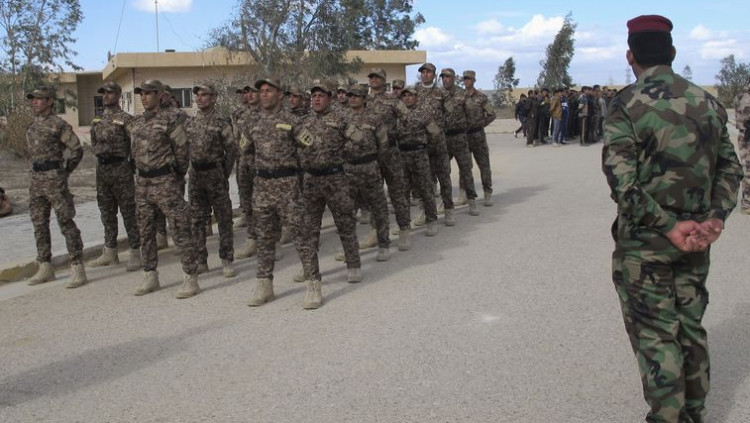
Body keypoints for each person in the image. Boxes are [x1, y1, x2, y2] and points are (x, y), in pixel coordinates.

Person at [602, 15, 743, 423]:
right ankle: (694, 413)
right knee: (690, 327)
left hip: (647, 242)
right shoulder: (706, 102)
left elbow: (623, 184)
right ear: (673, 53)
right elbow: (731, 169)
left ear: (630, 56)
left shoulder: (627, 104)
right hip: (696, 240)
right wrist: (715, 217)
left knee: (656, 333)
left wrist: (667, 225)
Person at [244, 77, 321, 309]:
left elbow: (311, 146)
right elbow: (245, 150)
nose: (264, 94)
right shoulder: (252, 121)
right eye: (261, 90)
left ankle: (313, 283)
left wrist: (299, 171)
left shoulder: (291, 121)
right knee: (264, 238)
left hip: (287, 186)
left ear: (280, 95)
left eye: (269, 90)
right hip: (262, 187)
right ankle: (264, 284)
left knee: (301, 235)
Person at [129, 79, 200, 299]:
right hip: (143, 184)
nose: (144, 97)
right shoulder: (137, 123)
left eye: (148, 93)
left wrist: (175, 175)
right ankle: (150, 274)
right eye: (141, 94)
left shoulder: (171, 120)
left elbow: (183, 151)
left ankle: (190, 276)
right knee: (145, 231)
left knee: (179, 228)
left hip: (165, 182)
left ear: (160, 95)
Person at [298, 81, 362, 283]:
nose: (316, 99)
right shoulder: (304, 122)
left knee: (345, 223)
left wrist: (343, 156)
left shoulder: (341, 119)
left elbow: (359, 141)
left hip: (335, 179)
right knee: (309, 228)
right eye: (314, 96)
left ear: (329, 98)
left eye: (321, 95)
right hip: (311, 180)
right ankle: (309, 269)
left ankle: (353, 264)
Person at [24, 86, 87, 288]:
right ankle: (45, 266)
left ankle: (77, 265)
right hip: (36, 181)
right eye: (33, 99)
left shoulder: (58, 125)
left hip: (54, 180)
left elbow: (76, 150)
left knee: (66, 222)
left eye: (39, 98)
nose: (34, 102)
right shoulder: (32, 126)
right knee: (39, 223)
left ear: (50, 101)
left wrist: (65, 172)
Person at [87, 81, 141, 272]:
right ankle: (110, 252)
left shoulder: (127, 119)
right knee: (107, 213)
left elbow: (136, 145)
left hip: (121, 170)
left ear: (118, 95)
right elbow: (94, 142)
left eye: (109, 93)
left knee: (129, 213)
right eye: (103, 93)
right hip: (102, 172)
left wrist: (131, 166)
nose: (105, 96)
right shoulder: (97, 120)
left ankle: (136, 251)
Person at [185, 83, 238, 278]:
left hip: (215, 174)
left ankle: (226, 259)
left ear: (213, 98)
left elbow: (231, 149)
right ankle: (201, 260)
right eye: (197, 95)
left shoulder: (221, 122)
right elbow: (183, 148)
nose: (199, 98)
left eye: (204, 94)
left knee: (223, 218)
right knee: (197, 220)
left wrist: (223, 172)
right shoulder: (190, 123)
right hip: (196, 176)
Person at [399, 86, 440, 238]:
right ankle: (404, 225)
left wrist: (426, 149)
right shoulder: (398, 115)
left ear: (416, 97)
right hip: (403, 156)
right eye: (405, 95)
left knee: (425, 189)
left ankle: (431, 220)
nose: (407, 98)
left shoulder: (424, 113)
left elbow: (435, 134)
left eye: (410, 95)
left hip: (420, 155)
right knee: (403, 192)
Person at [440, 68, 480, 216]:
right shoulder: (438, 95)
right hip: (444, 139)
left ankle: (472, 201)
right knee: (443, 172)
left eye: (448, 76)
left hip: (460, 138)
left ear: (454, 78)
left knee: (466, 170)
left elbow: (472, 115)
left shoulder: (462, 95)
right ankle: (445, 203)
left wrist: (464, 128)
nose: (445, 79)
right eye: (443, 77)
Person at [462, 70, 496, 206]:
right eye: (465, 79)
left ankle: (487, 192)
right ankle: (465, 193)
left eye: (469, 79)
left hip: (478, 136)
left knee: (484, 165)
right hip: (464, 136)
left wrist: (481, 124)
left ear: (474, 80)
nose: (467, 81)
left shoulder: (481, 97)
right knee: (465, 166)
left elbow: (492, 114)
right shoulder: (459, 97)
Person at [735, 81, 750, 214]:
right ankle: (747, 203)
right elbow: (744, 117)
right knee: (748, 170)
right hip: (747, 136)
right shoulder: (745, 95)